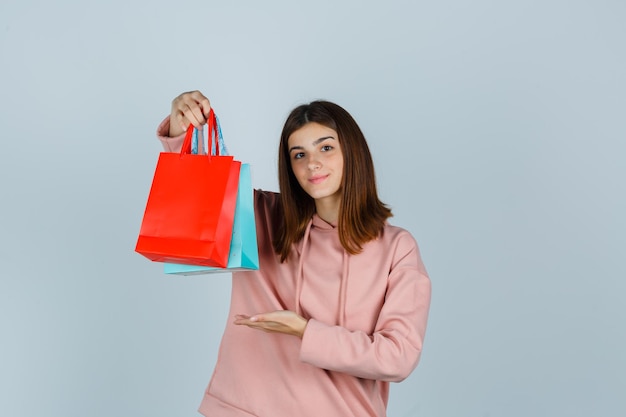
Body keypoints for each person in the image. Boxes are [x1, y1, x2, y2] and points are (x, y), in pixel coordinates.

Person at [156, 90, 431, 417]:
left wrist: (304, 330)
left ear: (352, 153)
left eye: (326, 148)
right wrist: (179, 130)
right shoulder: (262, 215)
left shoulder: (397, 247)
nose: (312, 162)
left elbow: (397, 357)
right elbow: (196, 192)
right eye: (298, 154)